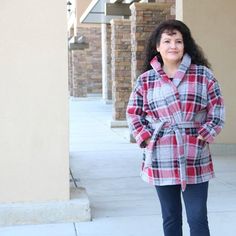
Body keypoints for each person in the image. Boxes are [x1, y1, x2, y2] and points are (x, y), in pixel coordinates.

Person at [126, 19, 225, 236]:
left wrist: (203, 136)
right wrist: (146, 138)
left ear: (185, 45)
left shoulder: (203, 75)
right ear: (157, 46)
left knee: (198, 217)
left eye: (178, 41)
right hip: (161, 154)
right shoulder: (146, 80)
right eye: (167, 41)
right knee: (170, 217)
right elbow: (134, 113)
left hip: (194, 153)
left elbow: (217, 110)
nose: (173, 46)